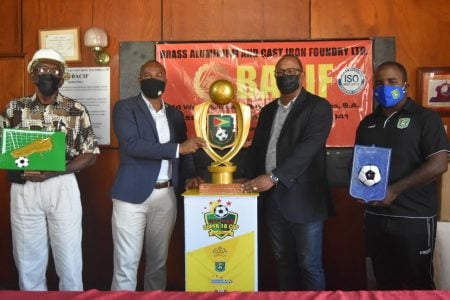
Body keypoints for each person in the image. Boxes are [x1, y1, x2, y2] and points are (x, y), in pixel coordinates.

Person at [0, 48, 100, 291]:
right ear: (33, 75)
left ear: (62, 77)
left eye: (54, 71)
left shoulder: (76, 109)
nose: (48, 74)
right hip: (25, 188)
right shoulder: (14, 109)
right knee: (27, 260)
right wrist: (15, 167)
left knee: (69, 259)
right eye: (42, 70)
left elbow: (90, 155)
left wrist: (55, 171)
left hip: (61, 185)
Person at [110, 60, 206, 291]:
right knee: (126, 265)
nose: (153, 78)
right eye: (147, 74)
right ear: (139, 80)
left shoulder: (174, 114)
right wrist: (178, 148)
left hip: (166, 196)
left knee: (158, 264)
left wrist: (190, 176)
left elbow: (185, 152)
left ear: (165, 80)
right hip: (131, 197)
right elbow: (132, 145)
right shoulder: (125, 107)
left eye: (158, 74)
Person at [241, 54, 334, 290]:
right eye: (280, 73)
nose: (286, 76)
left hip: (305, 200)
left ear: (302, 75)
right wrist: (247, 175)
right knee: (283, 262)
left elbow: (307, 150)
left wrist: (273, 177)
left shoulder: (318, 107)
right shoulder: (269, 110)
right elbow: (258, 149)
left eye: (291, 71)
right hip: (273, 200)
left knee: (309, 264)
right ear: (274, 77)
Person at [354, 61, 449, 290]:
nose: (384, 87)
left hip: (413, 217)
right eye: (379, 83)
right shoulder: (368, 123)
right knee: (384, 281)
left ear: (405, 86)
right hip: (375, 216)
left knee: (418, 283)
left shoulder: (426, 119)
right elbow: (359, 164)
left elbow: (439, 164)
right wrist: (358, 187)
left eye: (392, 82)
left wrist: (394, 190)